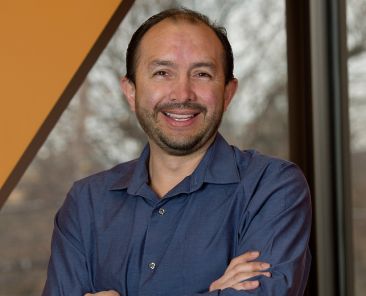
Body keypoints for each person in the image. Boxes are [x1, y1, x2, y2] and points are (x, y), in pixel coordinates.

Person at [42, 8, 311, 296]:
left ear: (228, 92)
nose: (182, 94)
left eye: (202, 74)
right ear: (131, 91)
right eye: (162, 73)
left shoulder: (271, 187)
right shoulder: (86, 204)